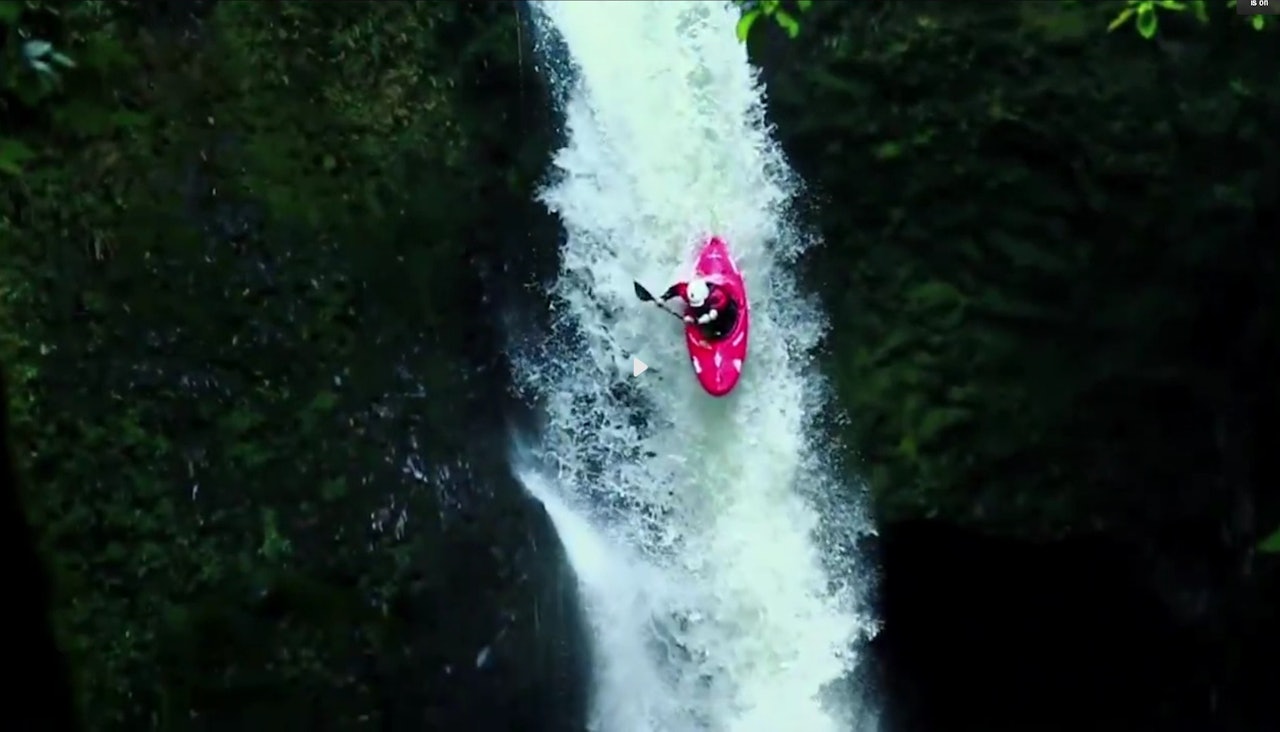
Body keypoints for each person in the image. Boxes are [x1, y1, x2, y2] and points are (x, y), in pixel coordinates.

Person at [660, 277, 738, 339]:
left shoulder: (719, 297)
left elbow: (711, 316)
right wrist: (663, 298)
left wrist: (696, 321)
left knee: (715, 326)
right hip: (705, 308)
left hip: (723, 311)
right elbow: (674, 290)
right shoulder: (687, 291)